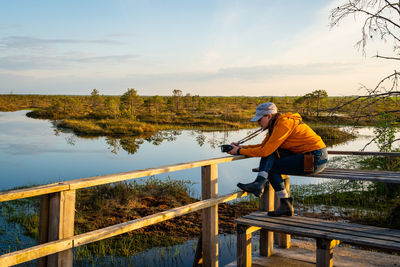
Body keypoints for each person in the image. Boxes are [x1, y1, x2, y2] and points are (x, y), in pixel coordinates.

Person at [227, 102, 328, 217]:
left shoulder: (283, 124)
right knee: (271, 155)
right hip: (310, 156)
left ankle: (263, 187)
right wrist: (241, 147)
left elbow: (265, 151)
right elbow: (264, 147)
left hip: (315, 159)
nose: (258, 123)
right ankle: (264, 188)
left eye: (260, 120)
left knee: (271, 166)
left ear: (269, 116)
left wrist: (239, 152)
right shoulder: (276, 124)